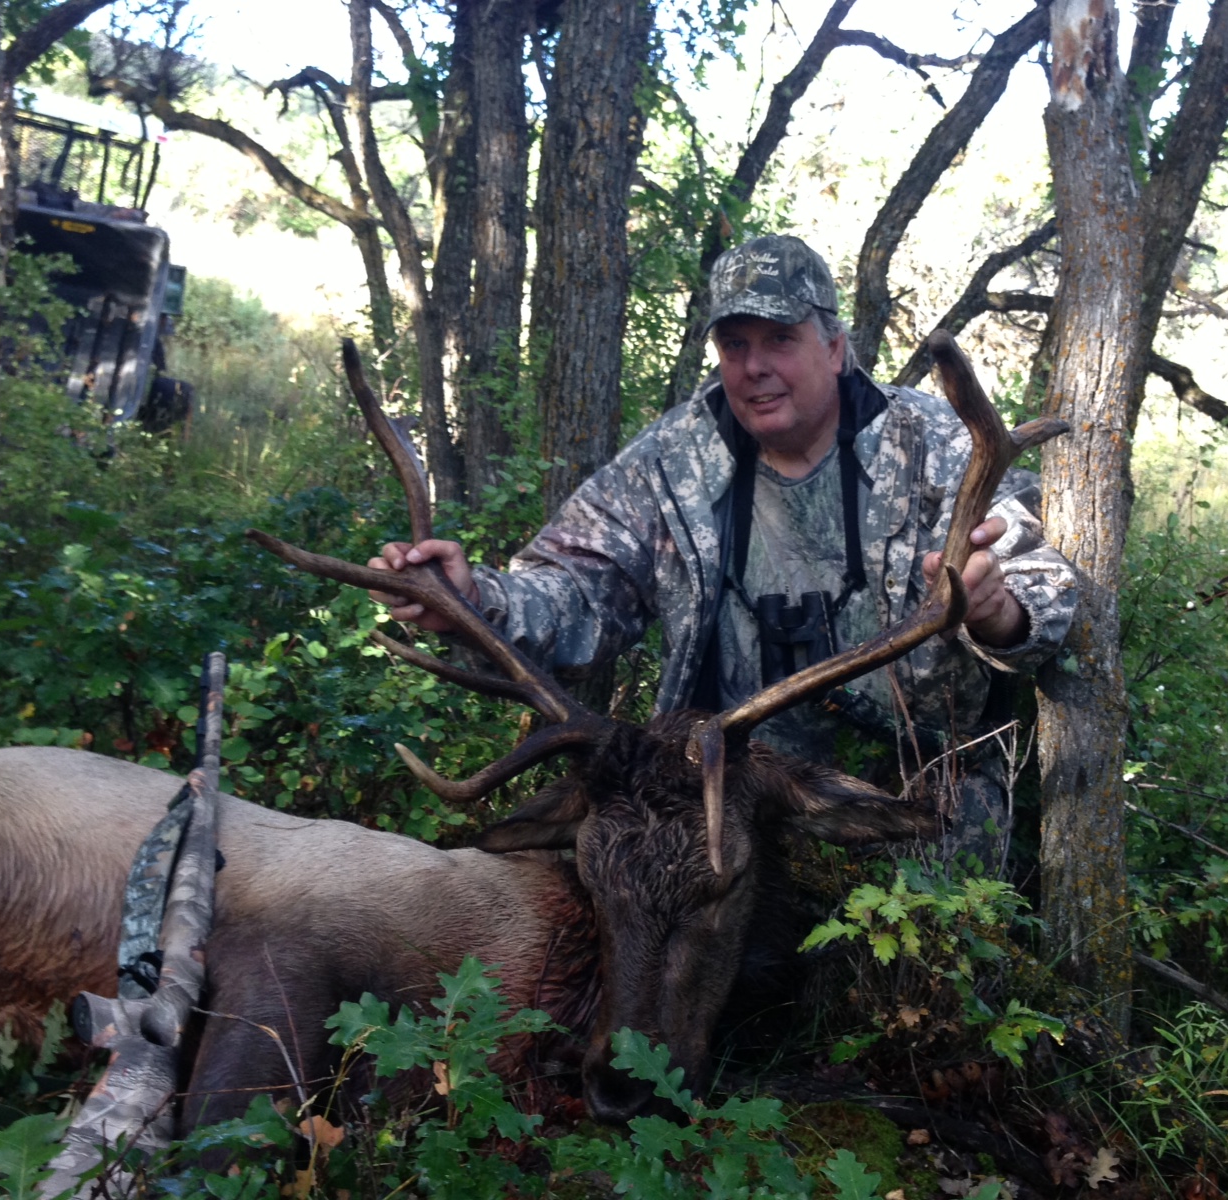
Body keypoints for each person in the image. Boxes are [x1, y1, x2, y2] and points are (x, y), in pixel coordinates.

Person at [372, 234, 1076, 868]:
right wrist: (475, 598)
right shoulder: (674, 458)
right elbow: (577, 588)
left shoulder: (939, 444)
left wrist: (997, 611)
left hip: (910, 797)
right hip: (718, 794)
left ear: (834, 347)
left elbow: (1041, 583)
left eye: (779, 339)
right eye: (735, 344)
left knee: (929, 968)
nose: (754, 367)